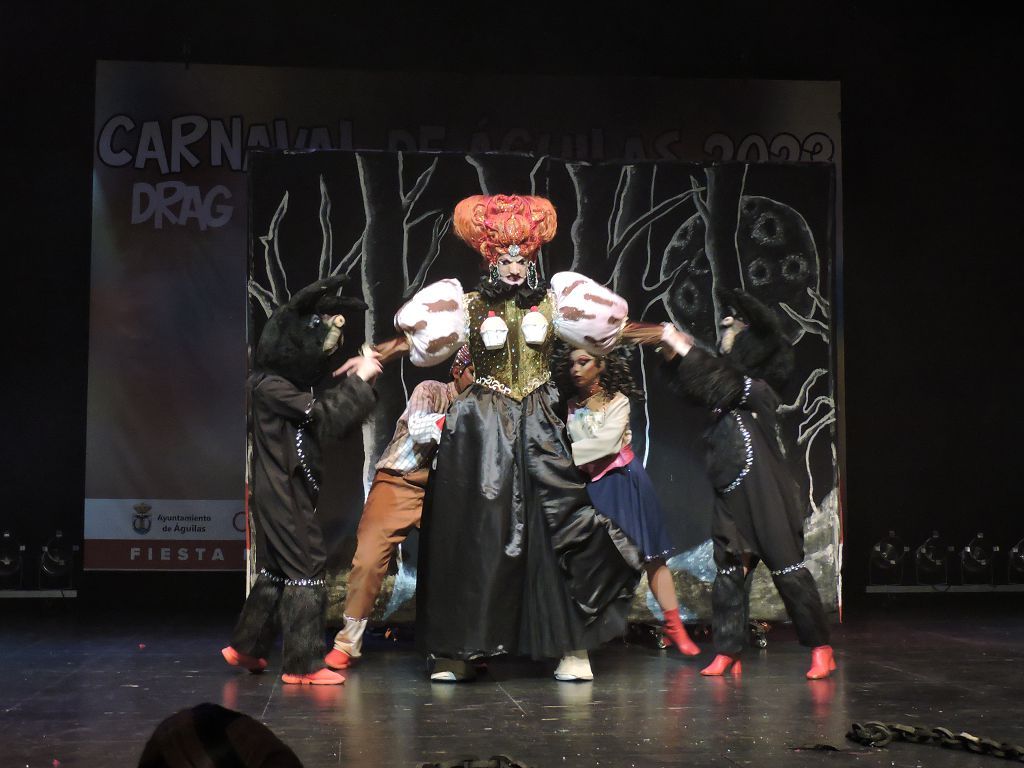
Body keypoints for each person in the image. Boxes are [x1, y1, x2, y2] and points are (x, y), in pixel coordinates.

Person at [386, 194, 643, 682]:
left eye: (521, 258)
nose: (514, 267)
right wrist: (373, 353)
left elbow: (613, 332)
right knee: (474, 530)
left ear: (532, 257)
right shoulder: (463, 305)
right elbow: (415, 343)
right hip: (482, 423)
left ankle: (570, 647)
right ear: (490, 258)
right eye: (505, 259)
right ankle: (458, 651)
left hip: (541, 420)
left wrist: (665, 336)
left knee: (558, 523)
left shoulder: (555, 302)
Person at [659, 289, 835, 679]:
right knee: (728, 569)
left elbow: (719, 381)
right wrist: (674, 358)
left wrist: (686, 350)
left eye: (734, 321)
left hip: (762, 486)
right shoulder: (727, 389)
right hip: (729, 484)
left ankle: (821, 648)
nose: (725, 324)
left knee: (786, 565)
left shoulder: (757, 389)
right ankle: (728, 650)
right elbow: (698, 387)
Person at [221, 276, 382, 686]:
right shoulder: (272, 387)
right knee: (307, 567)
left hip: (281, 490)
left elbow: (326, 416)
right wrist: (360, 380)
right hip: (283, 491)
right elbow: (326, 415)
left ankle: (247, 646)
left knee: (277, 570)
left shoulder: (274, 386)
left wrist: (358, 379)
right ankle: (304, 664)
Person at [325, 346, 475, 670]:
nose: (478, 383)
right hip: (400, 482)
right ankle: (348, 642)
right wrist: (472, 421)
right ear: (457, 371)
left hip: (447, 491)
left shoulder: (486, 406)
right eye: (473, 373)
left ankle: (461, 648)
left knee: (462, 567)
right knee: (368, 559)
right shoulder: (431, 390)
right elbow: (421, 428)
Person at [555, 345, 700, 658]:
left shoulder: (617, 401)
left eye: (584, 362)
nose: (577, 370)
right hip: (592, 487)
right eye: (572, 364)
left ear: (601, 364)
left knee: (652, 555)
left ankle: (675, 626)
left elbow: (606, 445)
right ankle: (587, 632)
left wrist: (565, 458)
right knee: (594, 560)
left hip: (624, 481)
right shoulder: (567, 406)